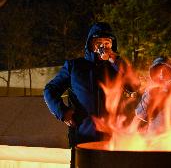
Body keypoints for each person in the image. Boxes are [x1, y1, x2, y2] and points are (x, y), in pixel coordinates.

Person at [44, 22, 138, 167]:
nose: (103, 46)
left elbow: (134, 87)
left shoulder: (116, 68)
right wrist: (62, 112)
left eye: (107, 42)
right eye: (98, 42)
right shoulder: (75, 66)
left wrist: (116, 60)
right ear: (90, 44)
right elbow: (50, 90)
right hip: (83, 138)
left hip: (113, 140)